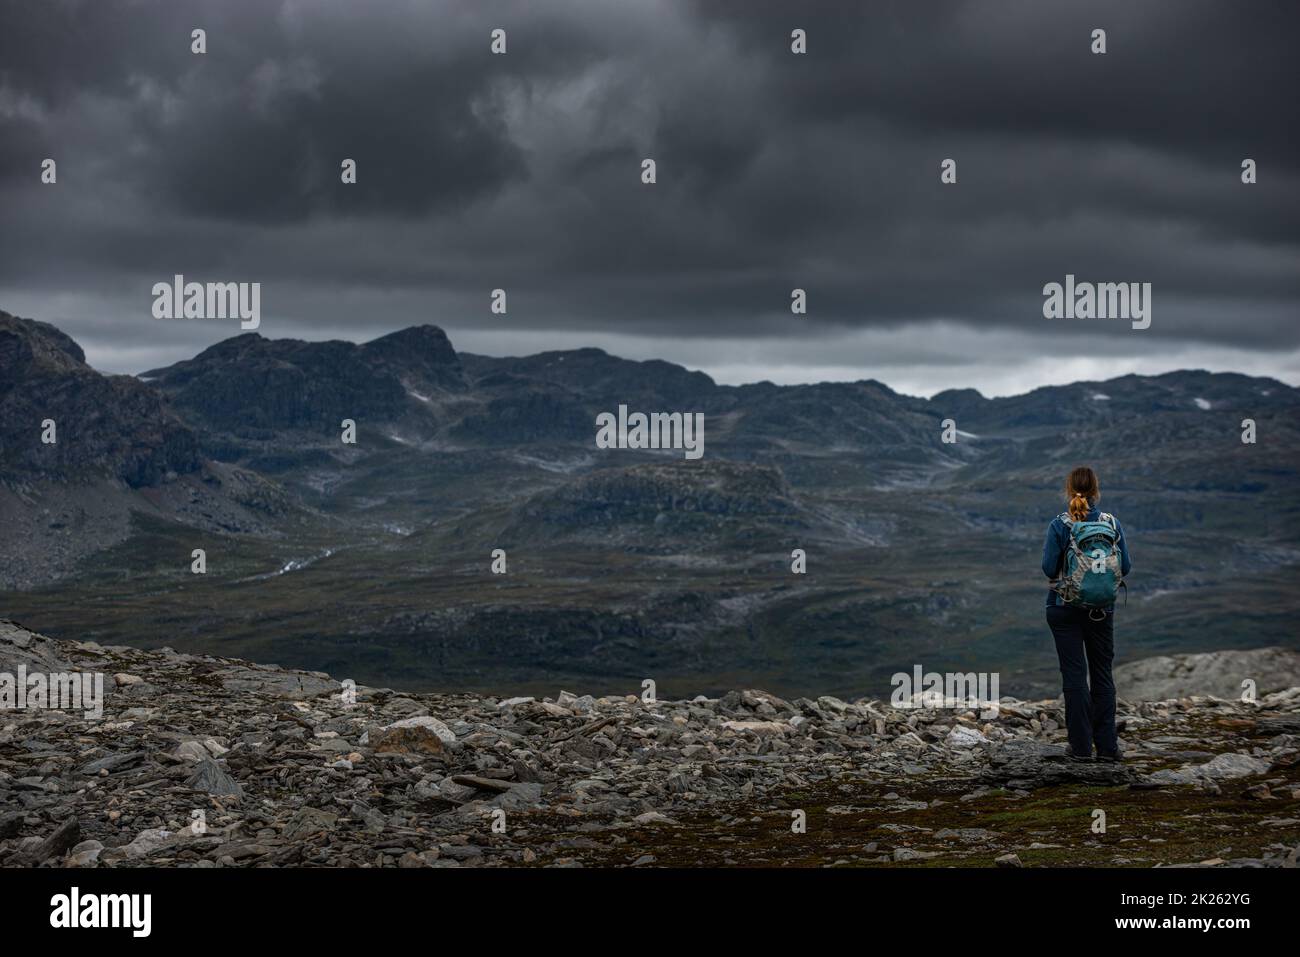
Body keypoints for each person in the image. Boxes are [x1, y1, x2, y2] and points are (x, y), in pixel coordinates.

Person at [1041, 466, 1131, 761]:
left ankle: (1080, 748)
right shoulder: (1111, 523)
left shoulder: (1060, 525)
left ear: (1069, 490)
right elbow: (1125, 567)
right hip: (1101, 611)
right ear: (1096, 490)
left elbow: (1048, 568)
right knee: (1102, 676)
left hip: (1063, 608)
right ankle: (1108, 749)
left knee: (1075, 677)